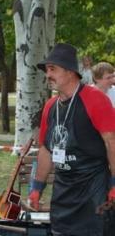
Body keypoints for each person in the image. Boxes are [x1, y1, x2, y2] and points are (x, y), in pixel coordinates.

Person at [29, 43, 115, 235]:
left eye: (53, 69)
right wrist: (37, 188)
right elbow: (45, 149)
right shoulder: (50, 106)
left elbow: (112, 142)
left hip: (94, 192)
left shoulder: (95, 99)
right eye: (46, 70)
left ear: (70, 72)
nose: (48, 75)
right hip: (63, 192)